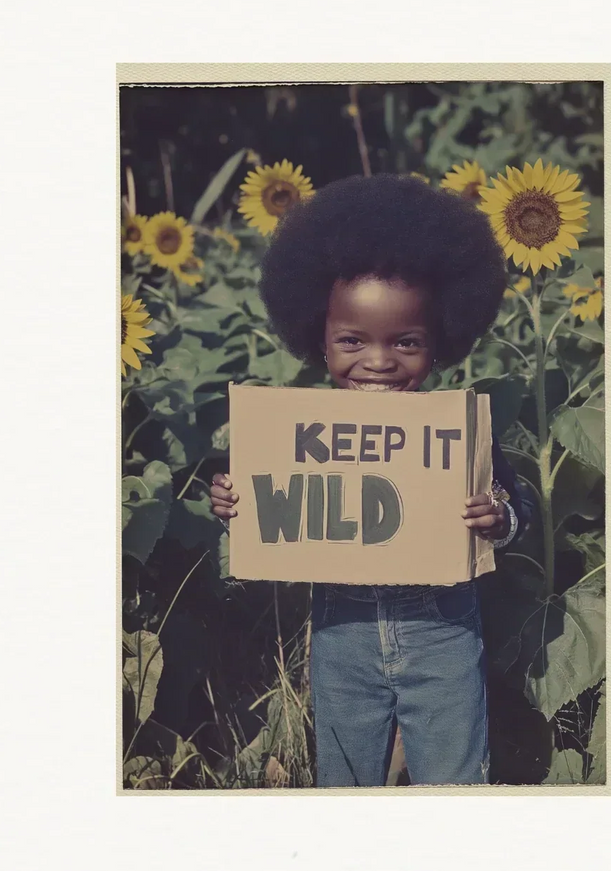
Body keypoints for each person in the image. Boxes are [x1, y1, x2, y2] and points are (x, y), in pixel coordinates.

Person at [209, 174, 536, 786]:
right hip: (343, 636)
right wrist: (232, 501)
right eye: (352, 341)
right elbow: (268, 503)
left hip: (442, 635)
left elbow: (520, 504)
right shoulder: (296, 432)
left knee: (454, 777)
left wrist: (499, 515)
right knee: (345, 777)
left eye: (406, 342)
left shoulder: (459, 428)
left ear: (439, 343)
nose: (379, 362)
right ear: (319, 339)